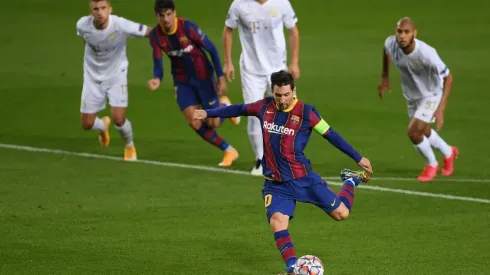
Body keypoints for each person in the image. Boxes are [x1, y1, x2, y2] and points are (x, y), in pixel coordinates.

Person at [194, 70, 373, 274]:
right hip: (276, 183)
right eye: (278, 95)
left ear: (294, 91)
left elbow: (331, 135)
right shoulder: (264, 106)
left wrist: (358, 158)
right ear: (273, 91)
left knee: (342, 214)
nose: (282, 100)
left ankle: (349, 181)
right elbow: (239, 109)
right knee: (277, 222)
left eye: (286, 95)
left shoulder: (307, 112)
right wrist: (208, 113)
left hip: (303, 178)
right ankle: (292, 269)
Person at [148, 0, 239, 167]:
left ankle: (225, 105)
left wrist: (220, 77)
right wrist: (157, 78)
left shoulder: (187, 27)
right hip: (182, 81)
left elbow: (211, 49)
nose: (166, 19)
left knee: (213, 123)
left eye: (169, 14)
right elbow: (158, 61)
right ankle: (229, 150)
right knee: (194, 121)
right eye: (162, 16)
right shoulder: (155, 35)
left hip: (203, 76)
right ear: (157, 16)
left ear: (174, 13)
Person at [223, 0, 300, 175]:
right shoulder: (239, 5)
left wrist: (294, 62)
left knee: (287, 114)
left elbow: (293, 30)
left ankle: (286, 158)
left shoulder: (281, 3)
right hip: (252, 70)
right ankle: (261, 160)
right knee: (255, 114)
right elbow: (228, 31)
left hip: (278, 68)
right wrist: (228, 62)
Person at [378, 17, 459, 182]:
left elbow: (448, 77)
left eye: (406, 32)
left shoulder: (426, 53)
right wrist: (385, 76)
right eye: (399, 31)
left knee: (414, 132)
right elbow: (386, 50)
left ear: (414, 33)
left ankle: (431, 164)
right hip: (412, 96)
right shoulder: (392, 43)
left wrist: (441, 107)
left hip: (431, 94)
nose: (402, 36)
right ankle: (449, 153)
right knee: (423, 129)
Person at [76, 0, 150, 161]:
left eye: (103, 8)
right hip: (92, 77)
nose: (100, 12)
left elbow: (148, 32)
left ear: (110, 9)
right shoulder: (82, 26)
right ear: (91, 12)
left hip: (116, 75)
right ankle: (103, 126)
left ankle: (129, 145)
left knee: (119, 118)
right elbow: (88, 40)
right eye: (95, 9)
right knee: (86, 124)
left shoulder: (121, 25)